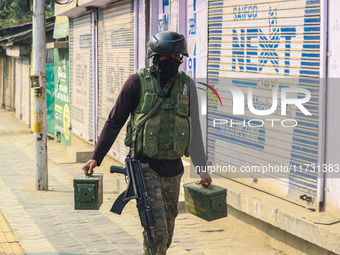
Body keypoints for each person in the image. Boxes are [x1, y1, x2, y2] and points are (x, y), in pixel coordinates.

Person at [82, 31, 212, 255]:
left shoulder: (187, 86)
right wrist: (96, 157)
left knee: (167, 232)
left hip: (173, 169)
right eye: (165, 56)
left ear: (181, 58)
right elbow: (114, 122)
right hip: (144, 166)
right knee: (156, 230)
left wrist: (202, 170)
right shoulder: (137, 82)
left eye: (176, 56)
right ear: (155, 57)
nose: (171, 60)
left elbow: (195, 130)